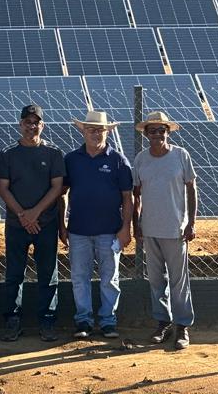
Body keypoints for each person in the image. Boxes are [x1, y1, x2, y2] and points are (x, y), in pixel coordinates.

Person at [60, 110, 133, 340]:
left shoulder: (118, 160)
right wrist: (62, 224)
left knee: (109, 279)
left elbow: (127, 197)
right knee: (79, 278)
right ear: (83, 131)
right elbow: (62, 193)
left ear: (107, 132)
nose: (96, 133)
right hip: (78, 231)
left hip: (109, 231)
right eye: (91, 129)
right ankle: (83, 320)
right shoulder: (71, 160)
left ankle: (108, 321)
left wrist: (126, 227)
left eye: (100, 129)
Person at [0, 103, 66, 343]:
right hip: (17, 225)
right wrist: (23, 216)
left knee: (48, 274)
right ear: (20, 124)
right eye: (27, 122)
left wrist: (35, 213)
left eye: (36, 123)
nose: (31, 127)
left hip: (46, 224)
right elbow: (2, 188)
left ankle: (47, 321)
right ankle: (12, 321)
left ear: (42, 126)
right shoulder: (8, 154)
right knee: (14, 274)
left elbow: (57, 188)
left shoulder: (54, 153)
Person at [132, 111, 197, 351]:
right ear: (146, 134)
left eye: (162, 130)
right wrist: (136, 223)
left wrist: (191, 223)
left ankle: (182, 326)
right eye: (152, 130)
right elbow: (136, 194)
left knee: (179, 281)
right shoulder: (141, 159)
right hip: (150, 229)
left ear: (168, 132)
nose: (157, 134)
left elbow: (191, 189)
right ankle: (163, 322)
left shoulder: (181, 155)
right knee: (156, 280)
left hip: (175, 229)